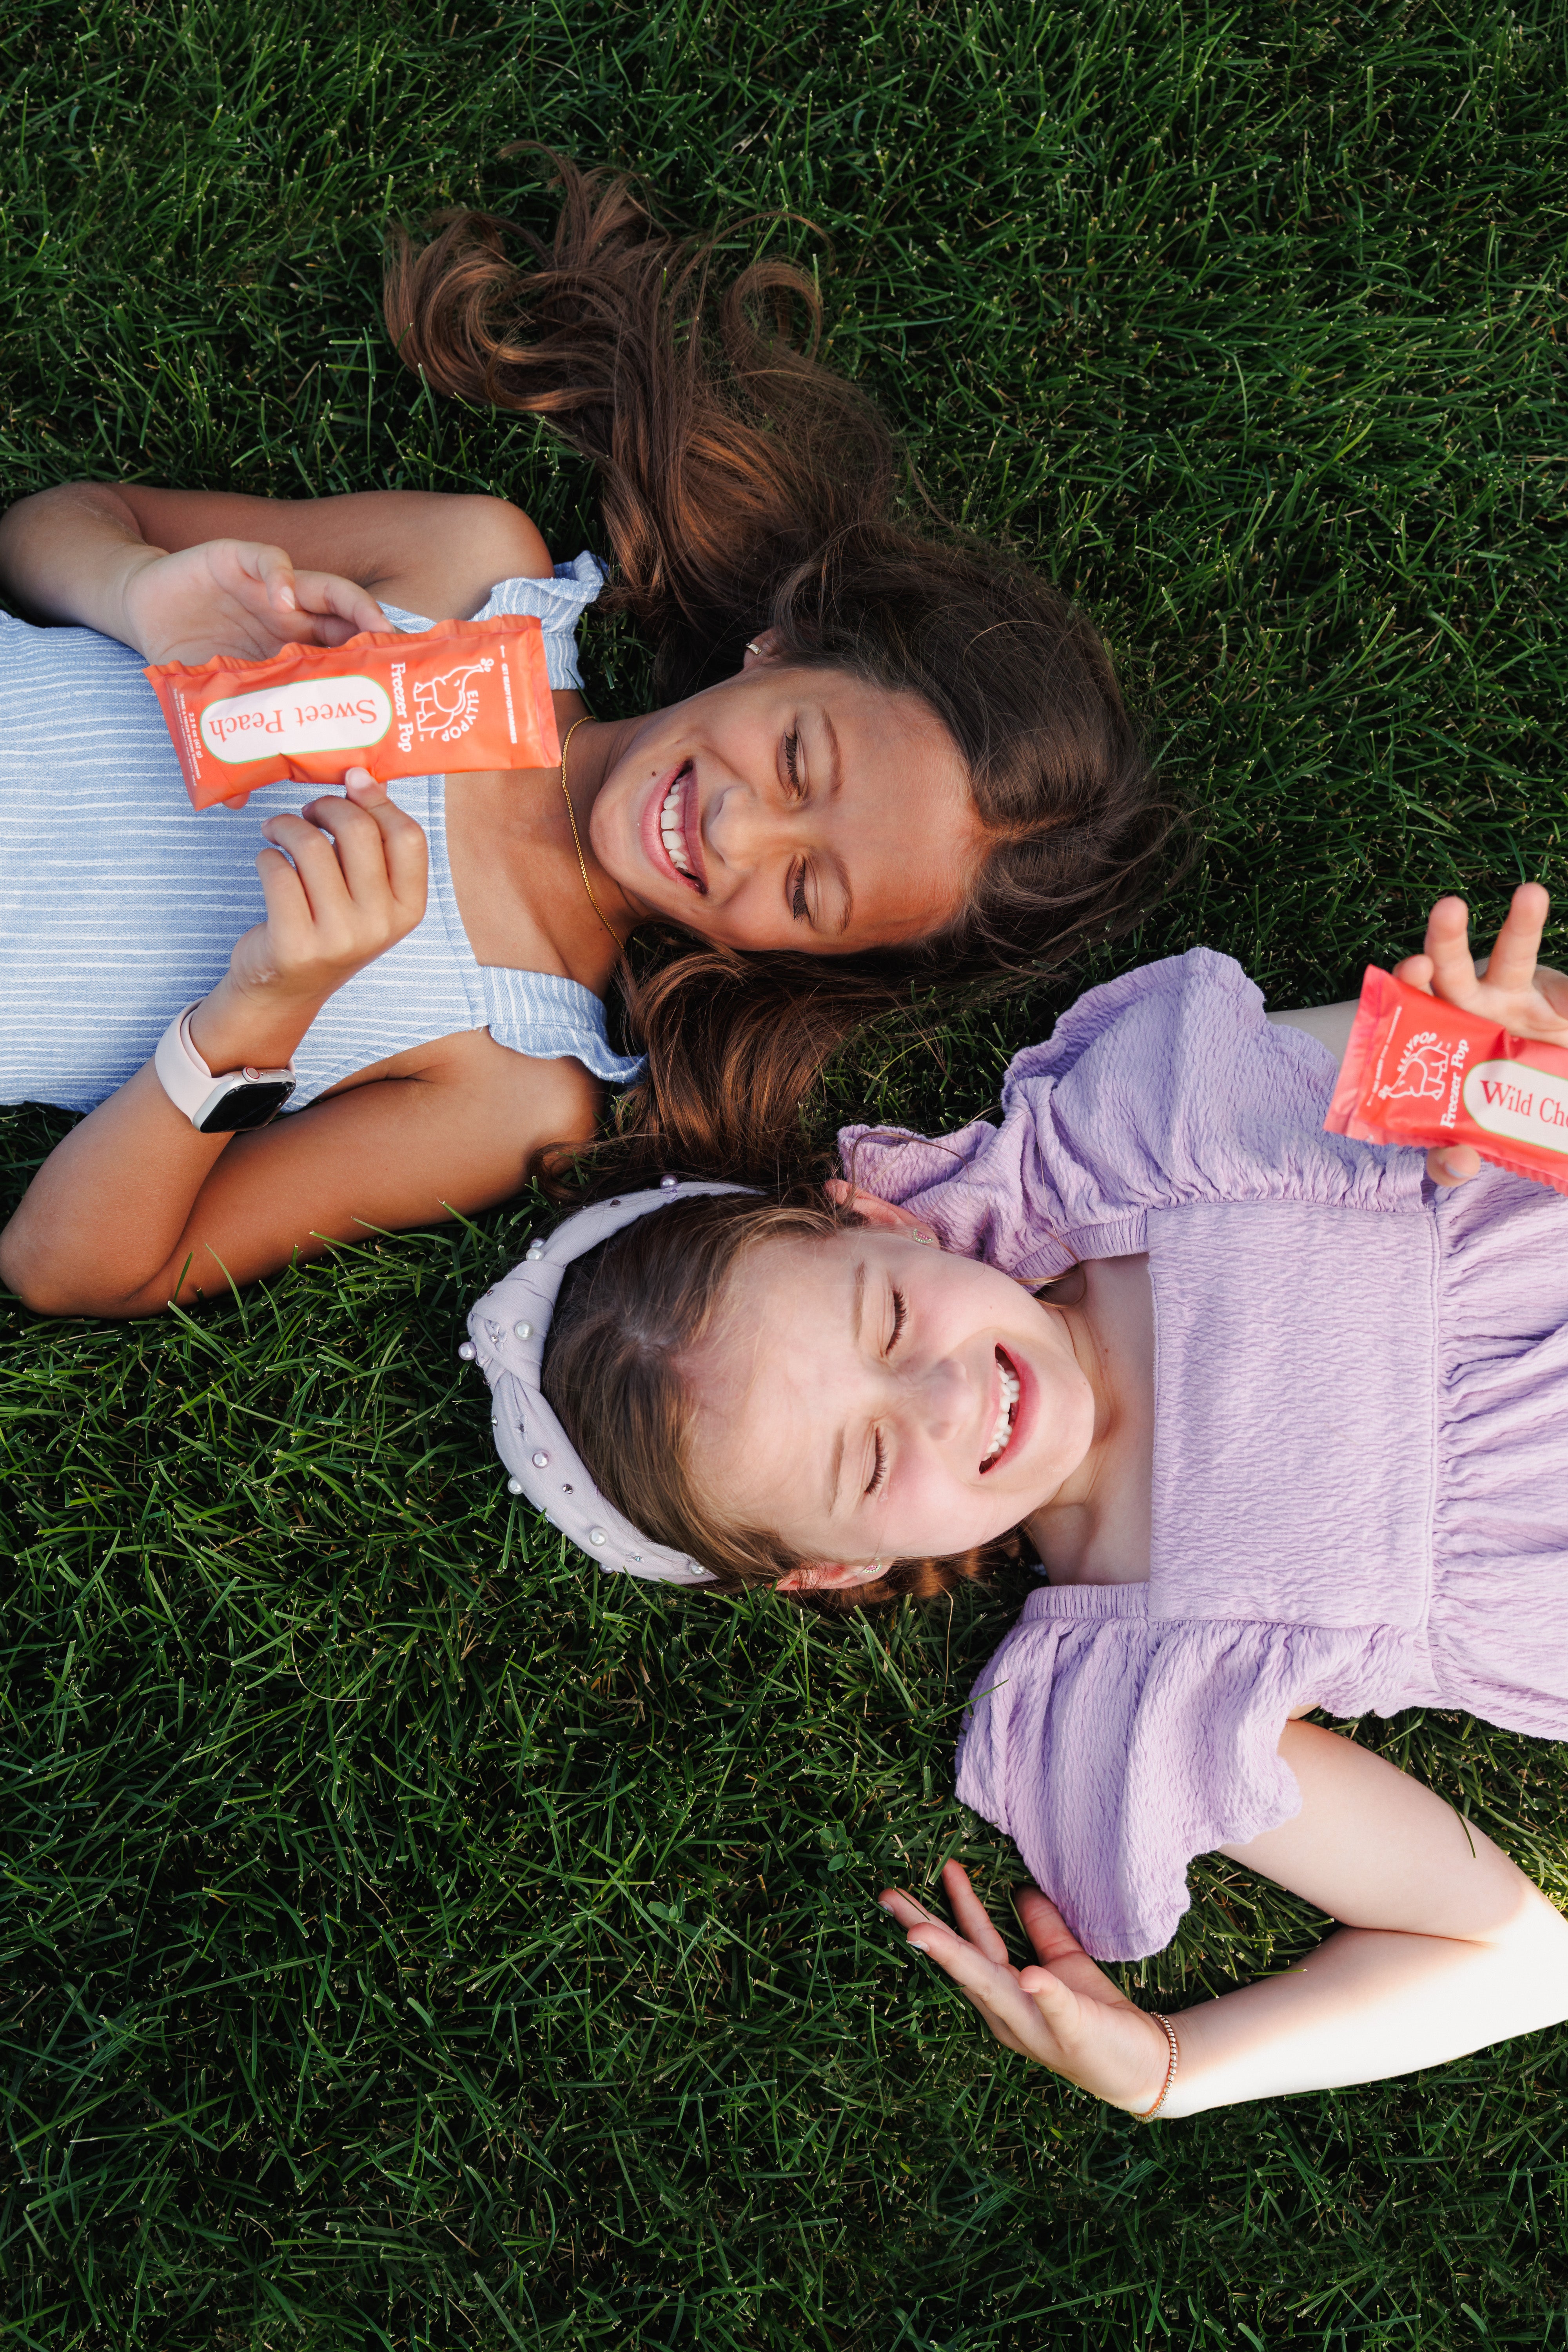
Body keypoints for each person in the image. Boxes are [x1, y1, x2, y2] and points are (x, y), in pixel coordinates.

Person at [460, 884, 1568, 2114]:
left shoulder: (1156, 1132)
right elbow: (1511, 1956)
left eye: (885, 1318)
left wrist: (1518, 1050)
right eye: (870, 1462)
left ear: (877, 1216)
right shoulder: (1144, 1683)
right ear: (836, 1568)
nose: (941, 1398)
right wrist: (1169, 2071)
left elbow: (1510, 1074)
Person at [0, 156, 1169, 1319]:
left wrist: (261, 1008)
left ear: (807, 959)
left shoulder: (512, 1087)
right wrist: (141, 595)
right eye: (799, 760)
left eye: (810, 890)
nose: (740, 825)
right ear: (779, 648)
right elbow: (54, 527)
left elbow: (80, 1268)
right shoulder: (465, 580)